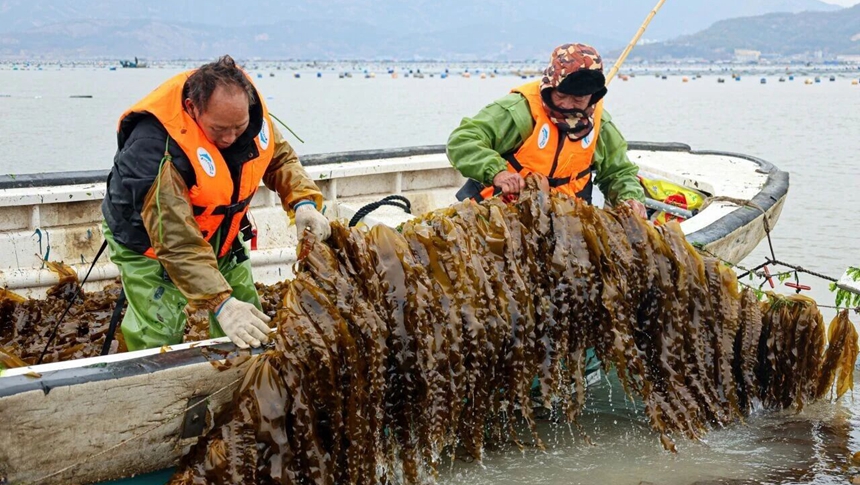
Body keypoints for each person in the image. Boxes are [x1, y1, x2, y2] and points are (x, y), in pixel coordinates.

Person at [101, 55, 330, 351]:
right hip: (149, 239)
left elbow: (279, 157)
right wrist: (222, 303)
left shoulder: (248, 118)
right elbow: (177, 242)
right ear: (192, 108)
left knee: (247, 309)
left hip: (220, 227)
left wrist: (303, 203)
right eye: (220, 129)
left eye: (239, 127)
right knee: (158, 330)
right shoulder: (156, 150)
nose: (231, 138)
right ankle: (150, 388)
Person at [447, 43, 647, 217]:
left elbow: (618, 172)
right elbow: (462, 140)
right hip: (496, 213)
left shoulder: (600, 125)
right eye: (562, 95)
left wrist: (629, 198)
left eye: (578, 99)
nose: (568, 106)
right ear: (551, 84)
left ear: (592, 97)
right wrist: (497, 172)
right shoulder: (519, 110)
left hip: (566, 223)